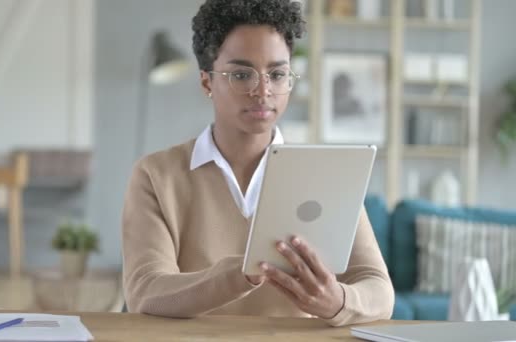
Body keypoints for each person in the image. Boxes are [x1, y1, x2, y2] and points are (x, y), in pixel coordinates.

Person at [122, 0, 394, 326]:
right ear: (207, 81)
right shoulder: (156, 175)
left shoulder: (327, 173)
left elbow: (379, 290)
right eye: (241, 74)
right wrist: (243, 273)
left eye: (277, 74)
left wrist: (339, 302)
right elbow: (145, 291)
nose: (263, 91)